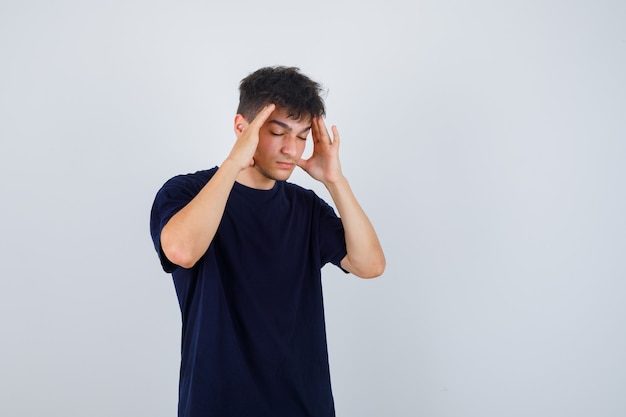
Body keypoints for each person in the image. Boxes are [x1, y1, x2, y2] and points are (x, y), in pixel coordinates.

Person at [150, 66, 385, 417]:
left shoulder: (305, 208)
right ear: (241, 128)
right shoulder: (186, 192)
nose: (292, 149)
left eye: (303, 136)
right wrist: (234, 162)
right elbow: (182, 250)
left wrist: (335, 181)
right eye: (278, 132)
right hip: (216, 405)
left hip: (304, 405)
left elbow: (370, 265)